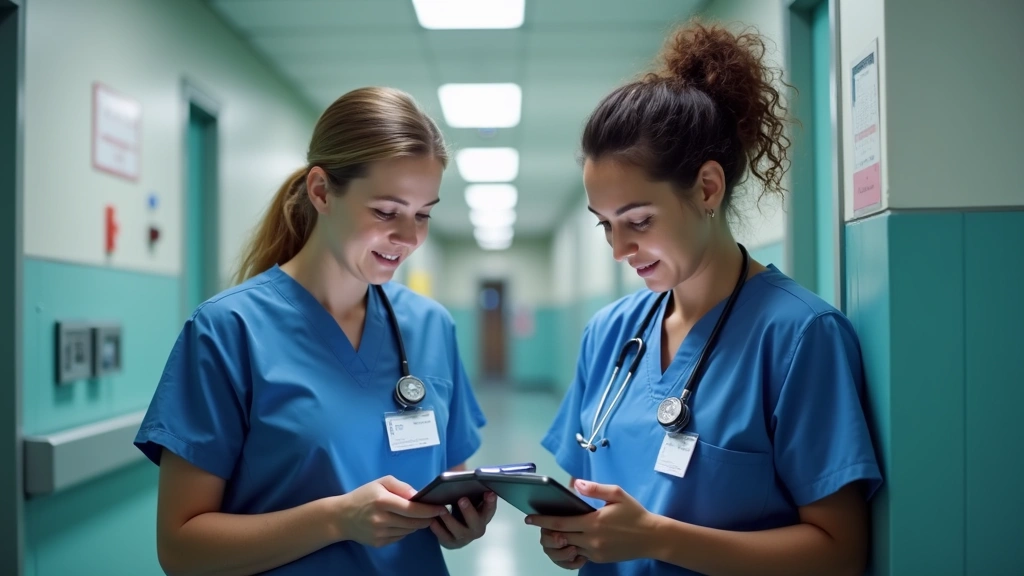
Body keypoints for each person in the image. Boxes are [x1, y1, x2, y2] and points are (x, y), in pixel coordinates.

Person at [530, 20, 883, 576]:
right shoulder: (610, 332)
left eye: (639, 220)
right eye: (605, 225)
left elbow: (838, 552)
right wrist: (576, 540)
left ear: (708, 188)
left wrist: (659, 539)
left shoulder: (798, 336)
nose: (620, 249)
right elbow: (593, 498)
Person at [133, 86, 495, 575]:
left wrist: (459, 521)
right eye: (386, 212)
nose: (409, 238)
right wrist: (336, 519)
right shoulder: (228, 330)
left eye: (423, 214)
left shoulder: (431, 326)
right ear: (322, 191)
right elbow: (181, 548)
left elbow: (447, 472)